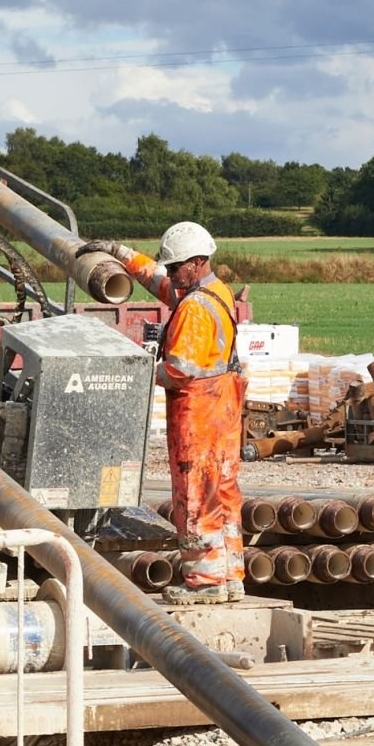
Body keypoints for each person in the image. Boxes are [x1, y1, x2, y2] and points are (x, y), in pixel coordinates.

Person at [82, 221, 246, 604]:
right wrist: (120, 252)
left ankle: (204, 581)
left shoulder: (193, 309)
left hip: (199, 411)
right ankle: (229, 574)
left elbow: (179, 370)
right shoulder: (214, 292)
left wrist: (136, 367)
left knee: (194, 494)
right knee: (222, 491)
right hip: (222, 407)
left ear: (198, 262)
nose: (170, 274)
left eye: (176, 267)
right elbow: (159, 281)